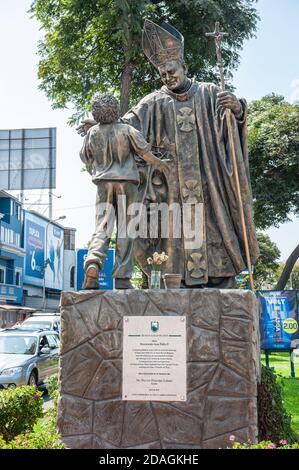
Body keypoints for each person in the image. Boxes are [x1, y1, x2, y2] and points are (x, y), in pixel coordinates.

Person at [121, 20, 260, 287]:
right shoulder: (153, 102)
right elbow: (129, 125)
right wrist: (104, 126)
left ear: (184, 67)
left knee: (214, 226)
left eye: (171, 71)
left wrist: (238, 109)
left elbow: (232, 123)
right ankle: (175, 280)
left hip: (210, 186)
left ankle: (220, 276)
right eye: (162, 74)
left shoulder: (209, 93)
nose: (168, 77)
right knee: (172, 235)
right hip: (171, 189)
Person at [80, 92, 168, 289]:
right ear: (116, 109)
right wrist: (161, 164)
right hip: (127, 183)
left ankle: (93, 262)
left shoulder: (92, 133)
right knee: (126, 229)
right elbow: (145, 153)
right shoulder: (127, 130)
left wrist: (95, 169)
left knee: (102, 227)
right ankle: (121, 277)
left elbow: (85, 157)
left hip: (103, 183)